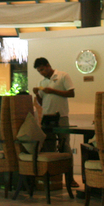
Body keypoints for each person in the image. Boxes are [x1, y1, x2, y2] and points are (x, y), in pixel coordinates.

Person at [32, 57, 77, 186]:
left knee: (65, 146)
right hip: (47, 117)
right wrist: (37, 94)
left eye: (42, 69)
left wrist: (52, 91)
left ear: (48, 65)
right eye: (39, 71)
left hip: (61, 116)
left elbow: (71, 93)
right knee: (49, 147)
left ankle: (70, 178)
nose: (41, 73)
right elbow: (42, 102)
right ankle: (53, 179)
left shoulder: (63, 76)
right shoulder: (42, 82)